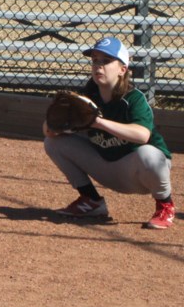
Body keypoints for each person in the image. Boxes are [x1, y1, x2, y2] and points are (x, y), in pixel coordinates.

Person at [44, 36, 175, 230]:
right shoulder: (88, 96)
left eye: (106, 61)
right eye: (95, 60)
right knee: (53, 142)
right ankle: (91, 201)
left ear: (123, 69)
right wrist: (57, 124)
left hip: (140, 172)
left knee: (148, 154)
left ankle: (165, 205)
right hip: (107, 167)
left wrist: (99, 123)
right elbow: (47, 131)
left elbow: (142, 135)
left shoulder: (133, 99)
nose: (98, 66)